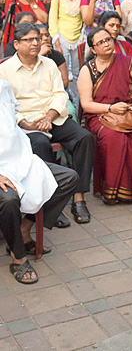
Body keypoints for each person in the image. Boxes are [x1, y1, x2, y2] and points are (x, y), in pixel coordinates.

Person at [0, 23, 95, 225]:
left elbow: (60, 94)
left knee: (84, 138)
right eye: (29, 40)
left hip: (53, 117)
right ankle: (51, 203)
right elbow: (5, 107)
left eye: (37, 38)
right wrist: (24, 123)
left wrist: (49, 116)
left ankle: (79, 199)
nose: (36, 43)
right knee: (39, 144)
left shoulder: (48, 64)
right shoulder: (5, 70)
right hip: (26, 123)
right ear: (16, 44)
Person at [0, 79, 78, 284]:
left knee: (68, 179)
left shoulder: (3, 85)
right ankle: (18, 258)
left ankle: (24, 229)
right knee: (9, 199)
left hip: (20, 158)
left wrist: (26, 124)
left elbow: (12, 115)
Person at [77, 28, 132, 203]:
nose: (106, 44)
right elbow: (86, 104)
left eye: (108, 40)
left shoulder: (128, 63)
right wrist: (110, 108)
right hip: (100, 114)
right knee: (114, 138)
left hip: (128, 112)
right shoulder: (88, 70)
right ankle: (112, 191)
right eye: (100, 42)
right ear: (93, 49)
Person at [48, 0, 85, 106]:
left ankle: (79, 104)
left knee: (78, 72)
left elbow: (84, 15)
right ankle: (67, 103)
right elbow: (52, 20)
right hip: (63, 37)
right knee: (63, 74)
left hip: (79, 37)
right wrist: (56, 43)